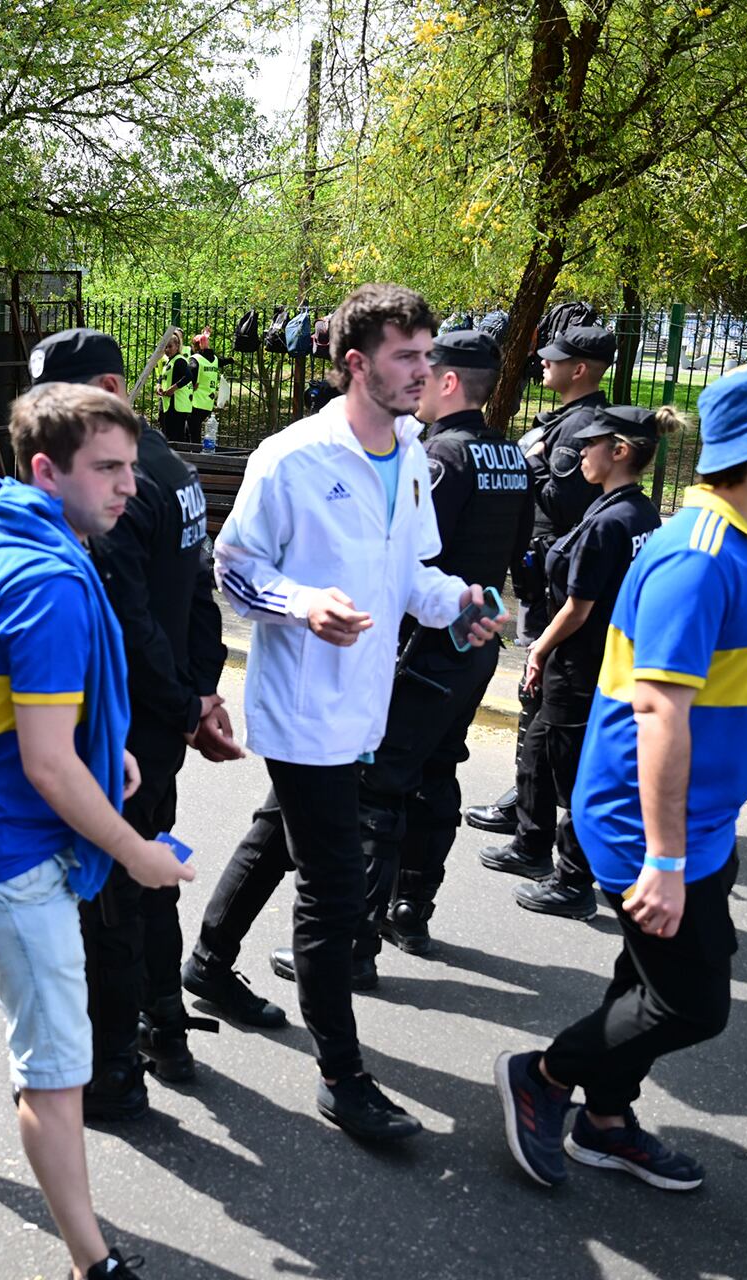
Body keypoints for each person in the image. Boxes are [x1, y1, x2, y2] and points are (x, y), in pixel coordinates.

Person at [496, 357, 747, 1194]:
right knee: (691, 1004)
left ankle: (606, 1123)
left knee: (648, 976)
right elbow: (659, 714)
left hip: (698, 821)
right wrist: (666, 861)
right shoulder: (701, 558)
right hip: (648, 829)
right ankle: (542, 1077)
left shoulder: (738, 544)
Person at [181, 284, 505, 1147]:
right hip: (303, 706)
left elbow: (417, 577)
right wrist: (301, 603)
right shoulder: (292, 458)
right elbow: (236, 569)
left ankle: (208, 965)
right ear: (356, 364)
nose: (425, 371)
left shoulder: (409, 449)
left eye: (429, 355)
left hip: (368, 702)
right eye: (408, 356)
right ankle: (343, 1077)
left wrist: (461, 604)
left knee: (276, 832)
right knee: (331, 884)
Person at [0, 382, 194, 1280]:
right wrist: (134, 850)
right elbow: (47, 765)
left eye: (131, 467)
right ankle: (91, 1263)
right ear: (43, 470)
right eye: (105, 469)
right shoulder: (52, 584)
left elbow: (34, 728)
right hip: (19, 855)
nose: (126, 487)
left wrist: (109, 758)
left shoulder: (12, 540)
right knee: (58, 1071)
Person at [25, 328, 237, 1118]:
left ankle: (115, 1070)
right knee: (149, 878)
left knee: (108, 897)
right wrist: (199, 697)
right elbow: (197, 600)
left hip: (122, 729)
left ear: (110, 385)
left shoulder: (115, 480)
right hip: (160, 720)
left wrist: (188, 704)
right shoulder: (167, 465)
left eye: (63, 402)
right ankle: (164, 1025)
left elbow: (135, 621)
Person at [324, 327, 533, 959]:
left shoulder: (440, 456)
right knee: (438, 771)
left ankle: (354, 943)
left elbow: (410, 553)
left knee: (381, 785)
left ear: (448, 381)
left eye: (424, 369)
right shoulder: (510, 455)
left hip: (423, 647)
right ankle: (411, 908)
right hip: (472, 647)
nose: (413, 381)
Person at [509, 405, 672, 921]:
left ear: (619, 452)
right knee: (543, 749)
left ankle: (572, 880)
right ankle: (532, 845)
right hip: (604, 660)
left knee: (578, 774)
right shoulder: (640, 512)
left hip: (580, 664)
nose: (581, 452)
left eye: (591, 444)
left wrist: (537, 648)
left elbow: (578, 609)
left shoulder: (609, 523)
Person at [469, 322, 615, 871]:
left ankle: (530, 802)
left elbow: (562, 500)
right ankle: (526, 794)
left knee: (539, 687)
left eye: (555, 360)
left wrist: (527, 460)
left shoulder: (578, 426)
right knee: (538, 687)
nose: (544, 365)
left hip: (557, 578)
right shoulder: (570, 419)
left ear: (579, 369)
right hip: (545, 573)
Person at [152, 329, 195, 444]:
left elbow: (188, 376)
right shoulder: (169, 361)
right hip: (169, 404)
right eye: (165, 347)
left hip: (178, 405)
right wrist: (159, 386)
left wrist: (173, 389)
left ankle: (180, 459)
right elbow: (162, 376)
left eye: (170, 346)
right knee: (169, 435)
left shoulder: (179, 360)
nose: (167, 350)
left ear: (177, 346)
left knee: (177, 438)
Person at [187, 327, 224, 439]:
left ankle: (194, 455)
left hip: (195, 401)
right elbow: (223, 361)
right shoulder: (214, 359)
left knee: (193, 432)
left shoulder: (195, 359)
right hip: (207, 402)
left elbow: (188, 377)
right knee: (192, 430)